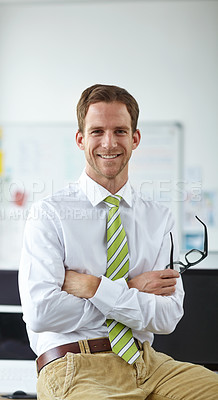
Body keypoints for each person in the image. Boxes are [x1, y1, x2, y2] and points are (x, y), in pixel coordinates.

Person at [19, 84, 218, 399]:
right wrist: (131, 287)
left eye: (120, 131)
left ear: (135, 138)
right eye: (97, 131)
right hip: (75, 364)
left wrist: (94, 288)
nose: (109, 143)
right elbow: (42, 312)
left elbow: (168, 317)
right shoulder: (49, 214)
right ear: (81, 139)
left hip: (147, 363)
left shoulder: (158, 218)